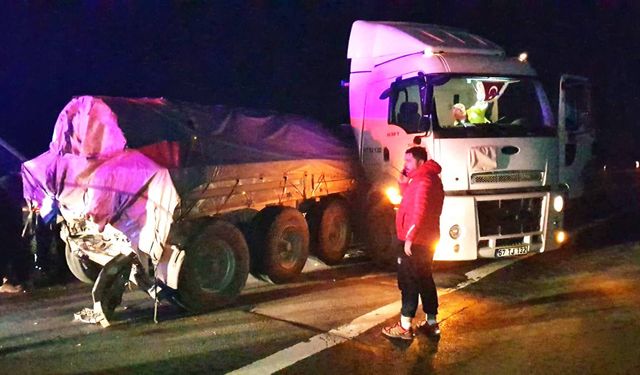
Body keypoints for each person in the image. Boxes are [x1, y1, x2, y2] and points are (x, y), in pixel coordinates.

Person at [382, 146, 444, 340]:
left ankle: (404, 326)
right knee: (425, 278)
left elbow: (419, 211)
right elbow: (412, 201)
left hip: (416, 241)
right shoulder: (428, 179)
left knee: (409, 281)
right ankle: (431, 323)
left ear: (420, 161)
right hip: (427, 239)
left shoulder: (422, 181)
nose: (405, 165)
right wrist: (403, 184)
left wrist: (409, 238)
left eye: (408, 161)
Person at [0, 173, 30, 294]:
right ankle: (7, 282)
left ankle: (11, 280)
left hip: (9, 215)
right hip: (7, 217)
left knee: (12, 244)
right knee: (9, 245)